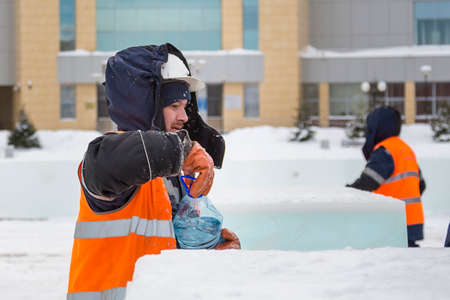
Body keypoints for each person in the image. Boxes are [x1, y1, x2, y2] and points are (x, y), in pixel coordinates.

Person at [67, 43, 240, 300]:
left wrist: (209, 252)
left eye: (185, 106)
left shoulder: (171, 176)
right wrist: (180, 150)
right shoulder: (107, 159)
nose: (183, 117)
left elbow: (161, 250)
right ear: (143, 106)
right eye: (173, 107)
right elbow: (116, 161)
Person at [346, 106, 426, 248]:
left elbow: (367, 183)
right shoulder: (406, 150)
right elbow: (421, 185)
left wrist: (348, 191)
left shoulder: (385, 151)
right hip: (412, 221)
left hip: (391, 223)